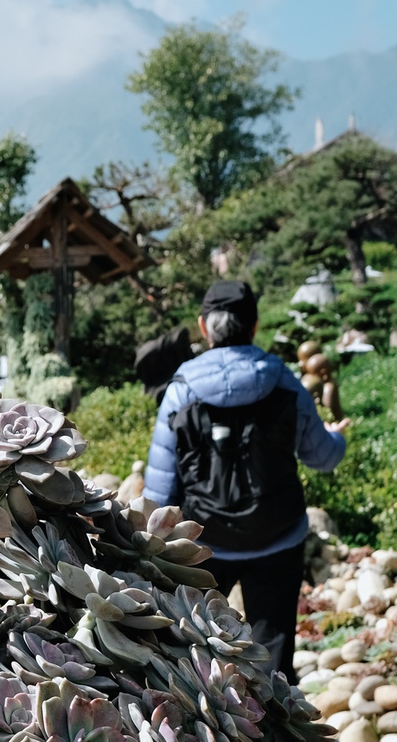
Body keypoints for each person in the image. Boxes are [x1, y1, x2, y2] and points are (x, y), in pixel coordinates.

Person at [144, 280, 347, 679]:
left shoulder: (181, 389)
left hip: (204, 543)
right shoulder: (283, 379)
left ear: (203, 327)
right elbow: (323, 457)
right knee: (274, 660)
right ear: (254, 326)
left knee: (194, 654)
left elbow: (159, 488)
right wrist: (337, 434)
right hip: (278, 538)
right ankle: (274, 731)